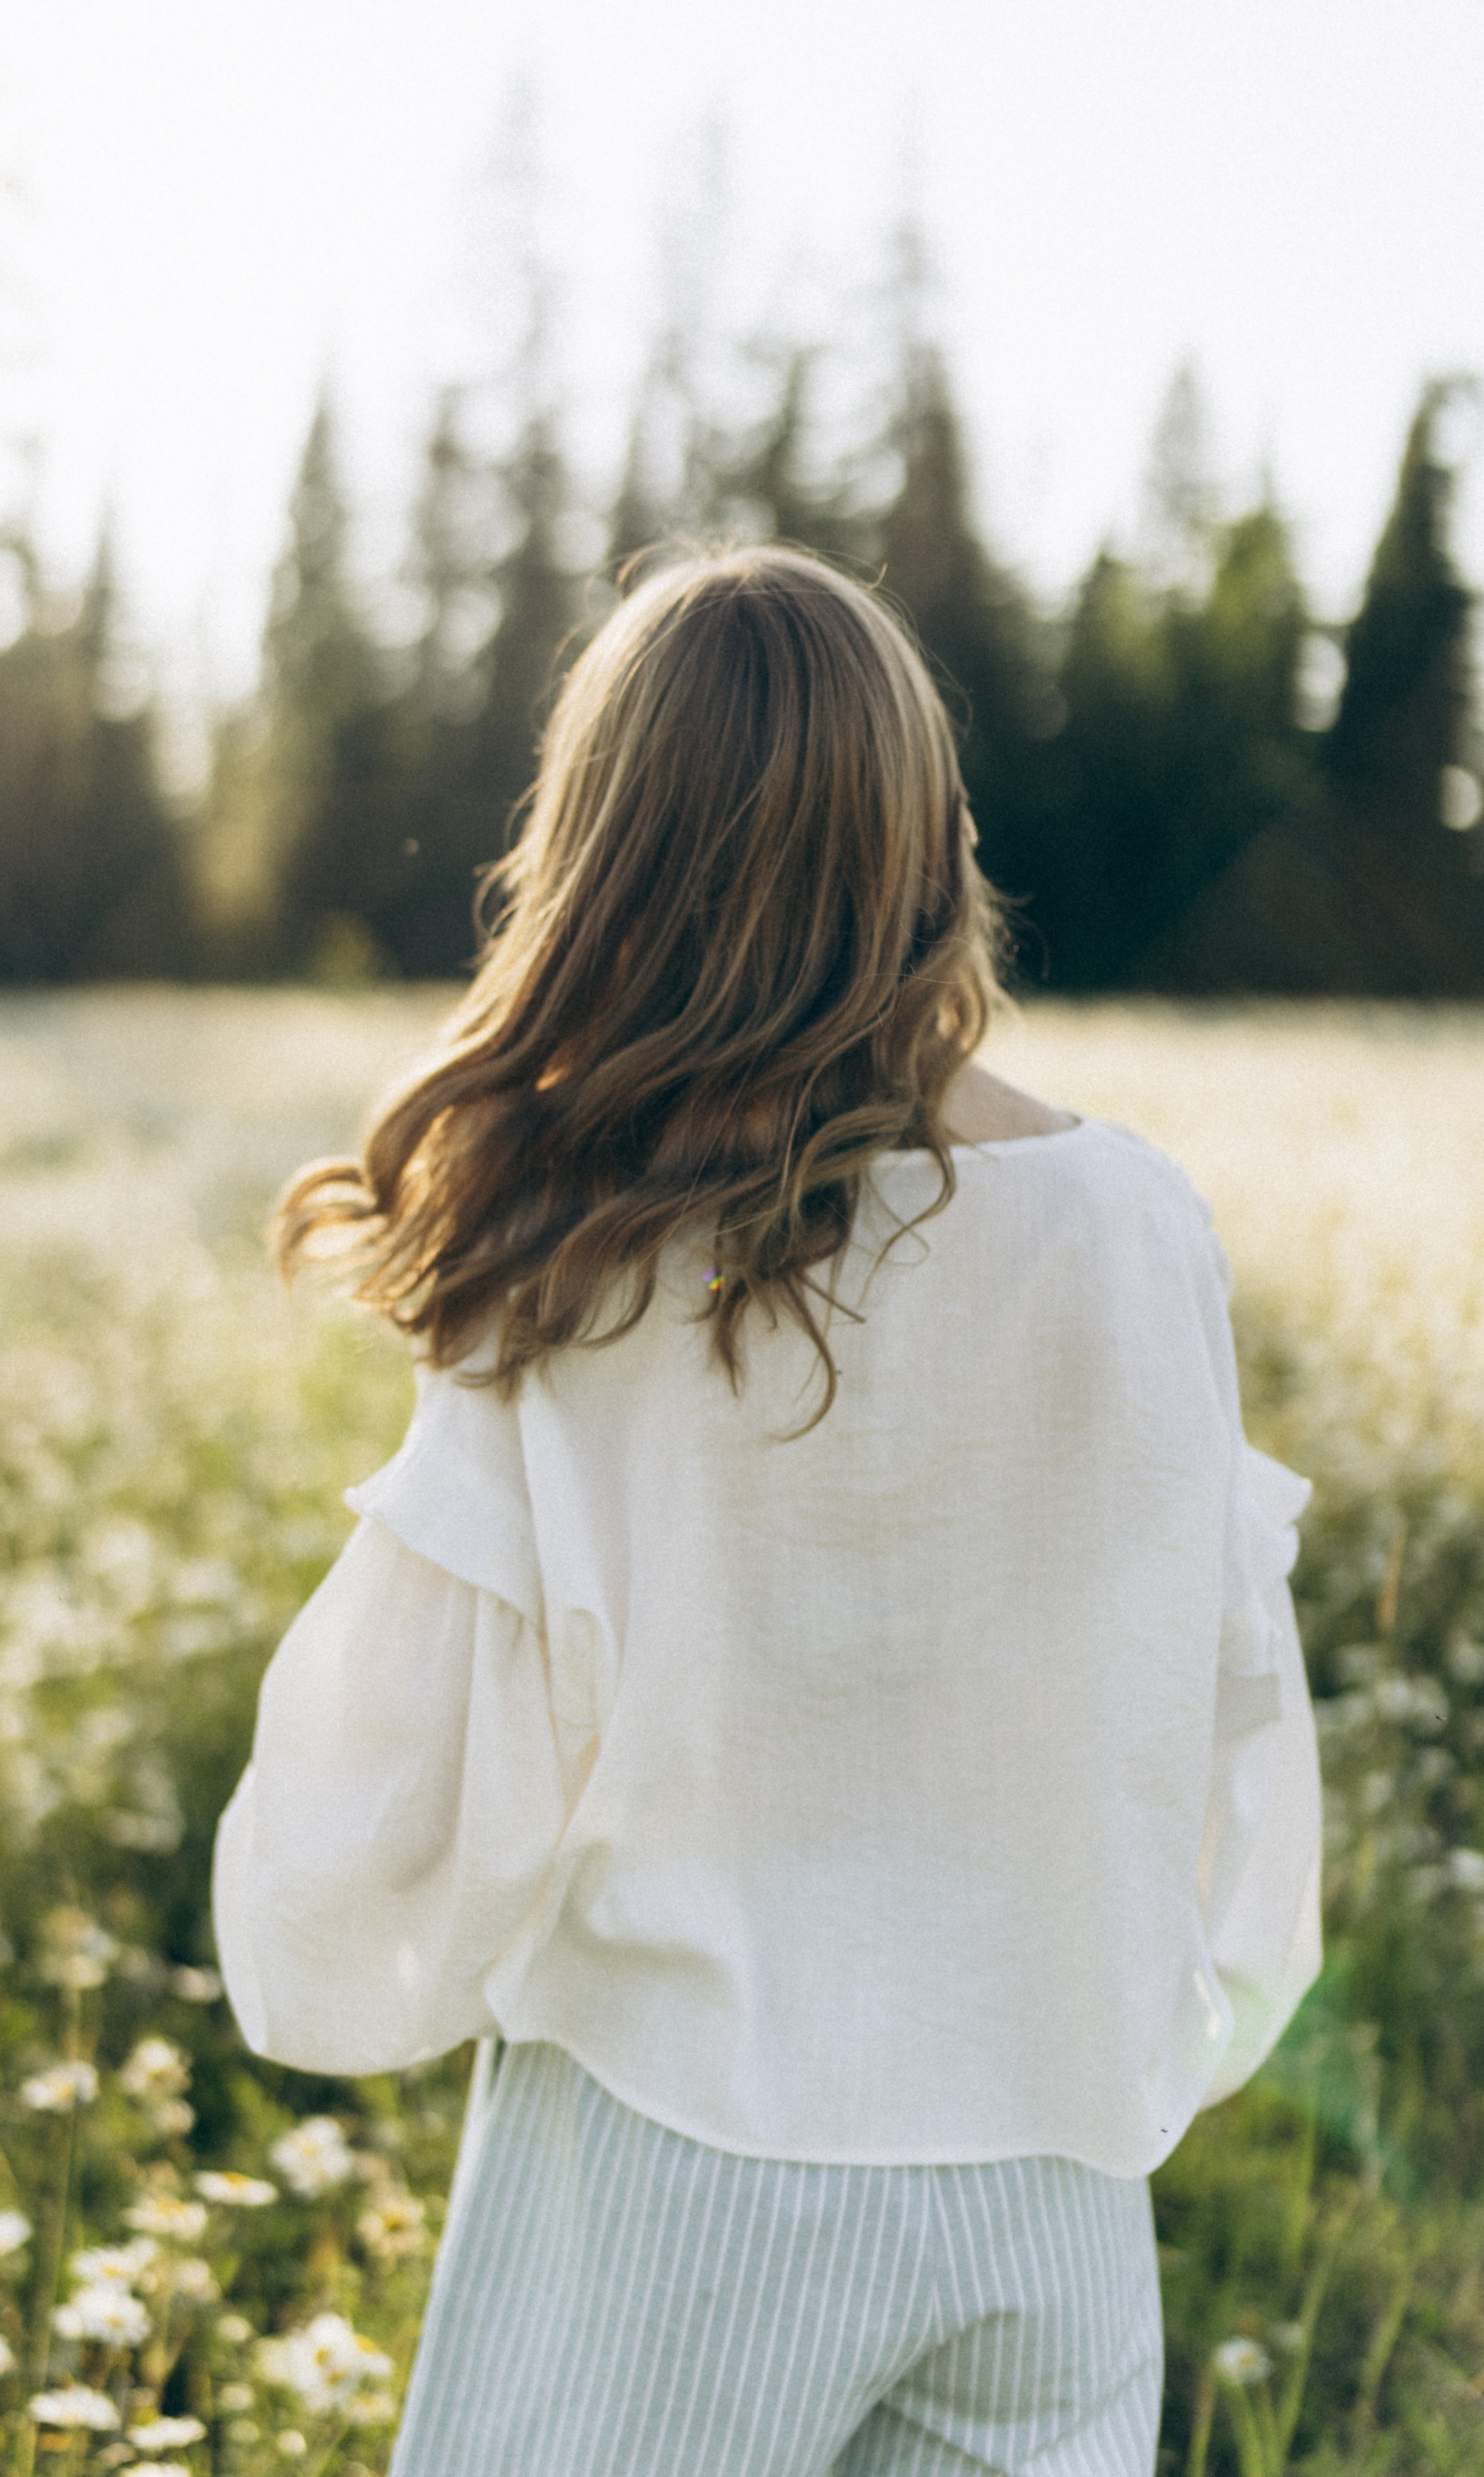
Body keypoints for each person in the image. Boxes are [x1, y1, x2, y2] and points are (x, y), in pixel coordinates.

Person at [212, 545, 1322, 2477]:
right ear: (925, 840)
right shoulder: (1140, 1228)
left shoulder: (575, 1256)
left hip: (678, 2162)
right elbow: (1224, 1703)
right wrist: (1185, 2013)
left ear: (606, 860)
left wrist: (334, 1957)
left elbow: (392, 1799)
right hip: (1050, 2180)